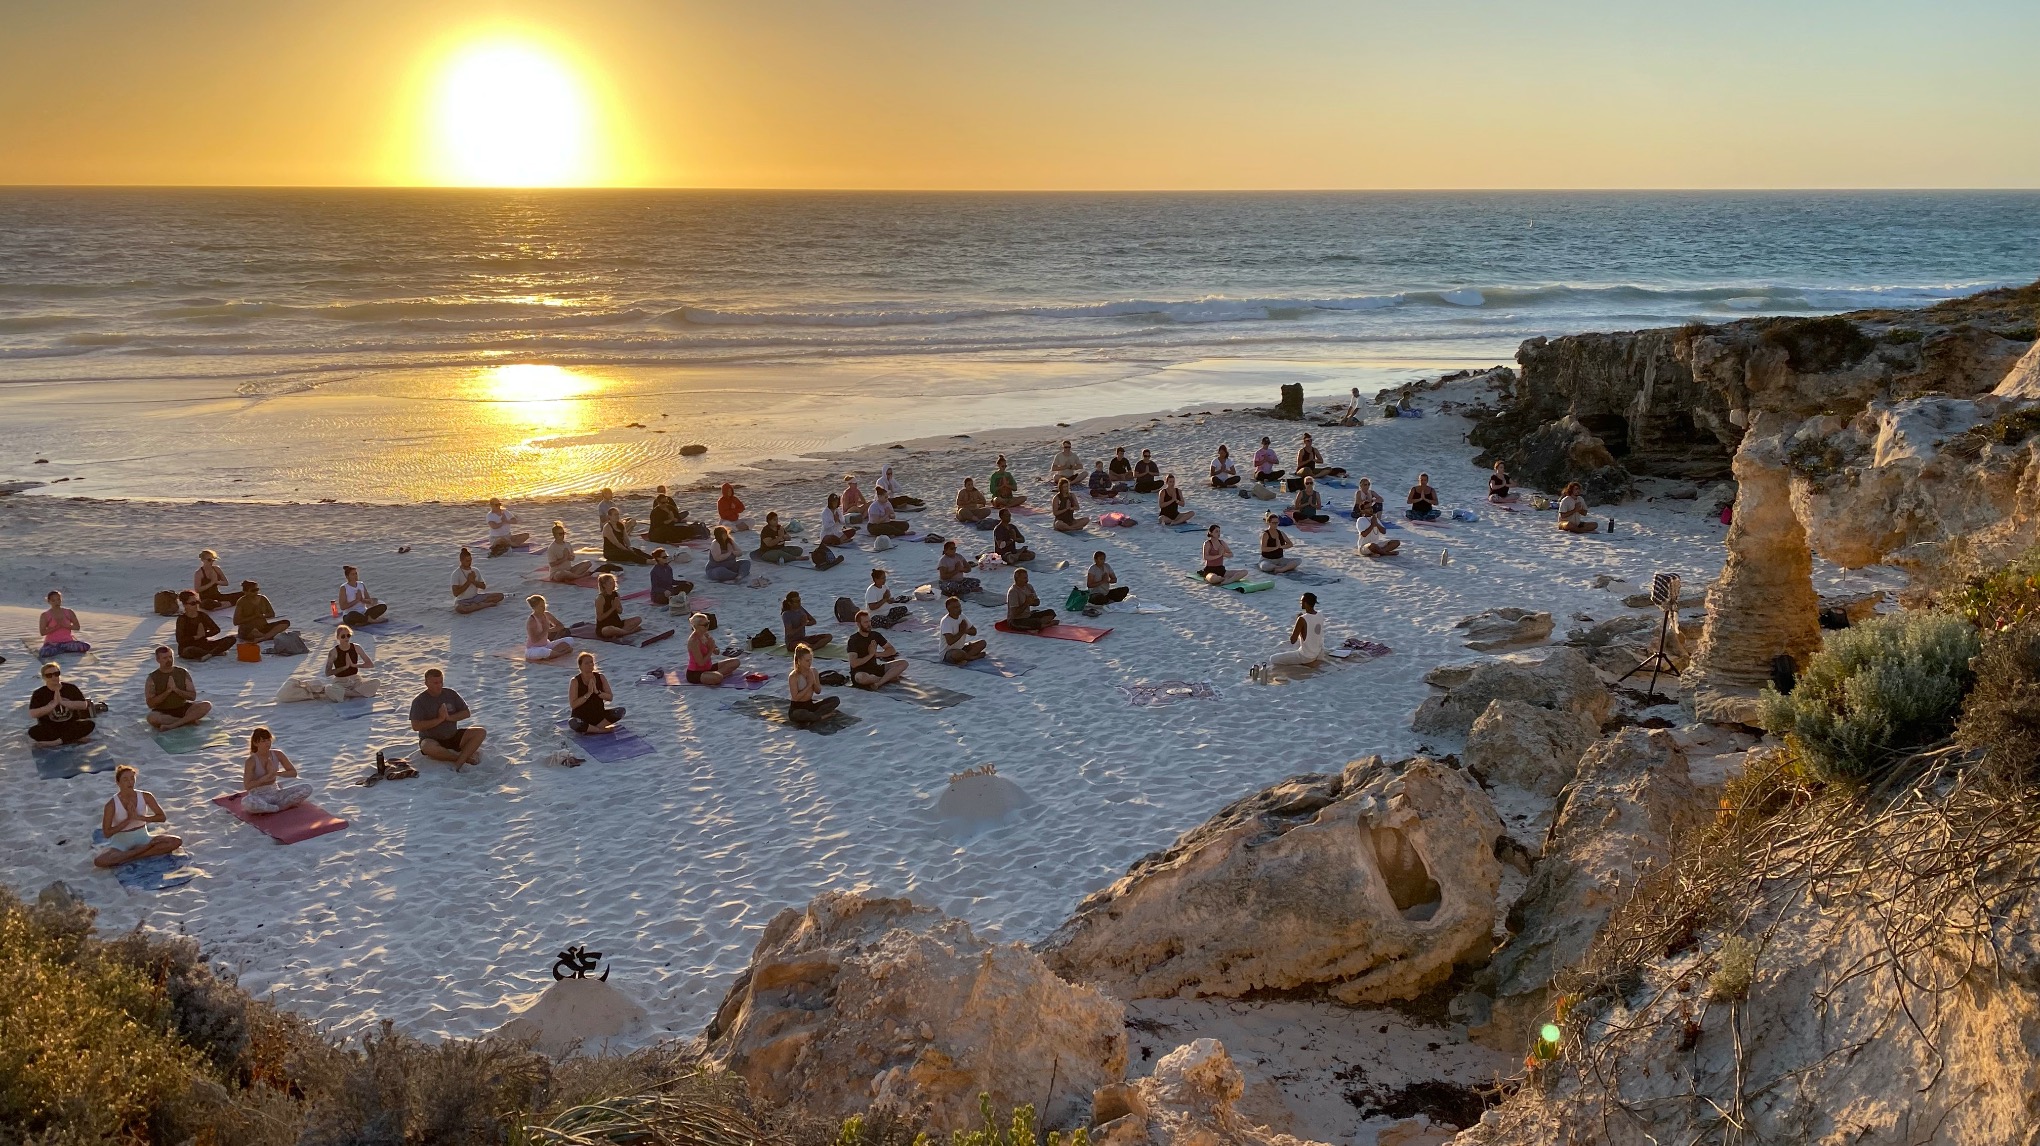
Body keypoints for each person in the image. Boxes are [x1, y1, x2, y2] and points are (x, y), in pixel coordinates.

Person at [95, 766, 180, 868]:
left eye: (132, 778)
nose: (130, 782)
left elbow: (162, 817)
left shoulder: (145, 796)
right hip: (121, 842)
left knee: (176, 841)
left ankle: (132, 856)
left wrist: (141, 818)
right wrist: (128, 820)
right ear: (118, 783)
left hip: (143, 837)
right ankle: (145, 850)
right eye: (125, 779)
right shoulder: (111, 804)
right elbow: (107, 833)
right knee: (99, 861)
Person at [409, 668, 485, 768]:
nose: (439, 685)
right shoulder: (419, 701)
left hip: (453, 735)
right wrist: (439, 719)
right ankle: (460, 758)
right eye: (435, 683)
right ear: (426, 683)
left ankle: (460, 760)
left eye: (441, 682)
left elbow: (466, 713)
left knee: (481, 732)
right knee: (427, 747)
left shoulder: (450, 694)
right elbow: (416, 726)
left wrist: (449, 718)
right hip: (432, 739)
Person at [241, 727, 312, 814]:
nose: (267, 743)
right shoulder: (251, 761)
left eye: (268, 740)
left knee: (307, 788)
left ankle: (277, 807)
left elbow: (293, 773)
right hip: (259, 796)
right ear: (256, 743)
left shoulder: (278, 754)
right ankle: (275, 808)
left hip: (275, 793)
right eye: (263, 741)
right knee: (247, 802)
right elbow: (247, 786)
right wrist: (268, 776)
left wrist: (277, 773)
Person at [144, 645, 210, 730]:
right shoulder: (152, 678)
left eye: (170, 657)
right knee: (151, 718)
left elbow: (192, 696)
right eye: (165, 658)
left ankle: (173, 725)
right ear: (158, 660)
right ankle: (188, 721)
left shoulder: (182, 672)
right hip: (163, 711)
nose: (169, 660)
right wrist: (168, 691)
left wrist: (176, 690)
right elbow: (150, 703)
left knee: (207, 705)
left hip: (183, 708)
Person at [29, 662, 95, 746]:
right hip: (50, 726)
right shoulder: (39, 693)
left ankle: (56, 742)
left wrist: (63, 702)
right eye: (49, 675)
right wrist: (52, 705)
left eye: (56, 674)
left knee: (89, 724)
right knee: (33, 731)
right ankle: (73, 738)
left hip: (70, 724)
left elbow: (84, 705)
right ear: (44, 677)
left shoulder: (71, 688)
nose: (54, 677)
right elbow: (33, 714)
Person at [847, 610, 909, 689]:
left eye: (869, 621)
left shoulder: (875, 635)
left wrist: (877, 654)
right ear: (858, 624)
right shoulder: (853, 640)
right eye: (866, 622)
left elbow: (892, 650)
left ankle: (879, 683)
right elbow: (854, 663)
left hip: (875, 668)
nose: (869, 624)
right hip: (860, 671)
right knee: (861, 678)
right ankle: (888, 678)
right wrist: (870, 655)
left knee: (904, 663)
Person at [567, 652, 625, 734]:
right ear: (580, 666)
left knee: (620, 711)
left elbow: (610, 697)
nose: (590, 664)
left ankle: (593, 729)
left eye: (591, 662)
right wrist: (588, 693)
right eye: (587, 663)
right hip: (582, 717)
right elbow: (573, 704)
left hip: (599, 716)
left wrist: (597, 692)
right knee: (572, 722)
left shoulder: (600, 677)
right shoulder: (575, 681)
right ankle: (599, 730)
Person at [1270, 593, 1327, 669]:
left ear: (1305, 603)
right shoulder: (1320, 614)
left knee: (1273, 658)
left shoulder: (1302, 619)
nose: (1300, 603)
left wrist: (1298, 623)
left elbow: (1293, 640)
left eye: (1301, 601)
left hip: (1306, 656)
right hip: (1318, 653)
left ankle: (1306, 663)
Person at [788, 644, 841, 724]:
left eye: (810, 660)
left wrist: (814, 681)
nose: (809, 663)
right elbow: (795, 698)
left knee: (835, 700)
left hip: (810, 705)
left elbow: (818, 691)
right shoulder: (793, 676)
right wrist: (809, 685)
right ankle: (821, 717)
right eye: (807, 661)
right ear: (799, 660)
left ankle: (814, 716)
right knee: (800, 714)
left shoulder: (813, 671)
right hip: (797, 708)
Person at [175, 591, 235, 660]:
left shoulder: (202, 615)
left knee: (231, 639)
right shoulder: (182, 619)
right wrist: (196, 637)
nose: (196, 605)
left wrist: (205, 635)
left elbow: (216, 629)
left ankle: (210, 654)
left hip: (204, 644)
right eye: (193, 603)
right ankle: (214, 652)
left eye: (197, 602)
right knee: (190, 650)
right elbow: (180, 640)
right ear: (185, 605)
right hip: (189, 647)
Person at [686, 612, 740, 685]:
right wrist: (710, 649)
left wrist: (713, 647)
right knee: (718, 678)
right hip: (695, 672)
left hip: (708, 668)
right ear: (696, 626)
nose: (707, 626)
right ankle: (717, 675)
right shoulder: (694, 641)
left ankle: (716, 675)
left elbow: (717, 652)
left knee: (736, 661)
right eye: (705, 625)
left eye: (708, 623)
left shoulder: (705, 634)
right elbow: (701, 663)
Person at [325, 624, 378, 697]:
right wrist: (345, 667)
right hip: (340, 681)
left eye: (348, 635)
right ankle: (357, 694)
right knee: (329, 688)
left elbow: (370, 664)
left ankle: (349, 694)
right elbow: (328, 673)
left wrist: (354, 665)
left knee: (376, 682)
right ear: (338, 637)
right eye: (343, 636)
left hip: (355, 680)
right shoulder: (333, 652)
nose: (346, 638)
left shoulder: (356, 647)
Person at [1353, 479, 1400, 557]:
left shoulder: (1375, 519)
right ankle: (1386, 553)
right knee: (1372, 546)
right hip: (1364, 546)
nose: (1370, 509)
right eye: (1368, 508)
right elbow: (1364, 534)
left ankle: (1379, 552)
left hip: (1376, 544)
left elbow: (1384, 531)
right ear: (1363, 511)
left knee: (1396, 542)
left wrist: (1376, 524)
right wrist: (1372, 525)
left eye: (1370, 508)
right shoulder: (1360, 520)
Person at [36, 590, 89, 658]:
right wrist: (56, 627)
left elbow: (77, 627)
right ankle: (61, 649)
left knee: (85, 646)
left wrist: (66, 626)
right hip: (52, 643)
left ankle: (63, 648)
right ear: (49, 601)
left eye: (58, 600)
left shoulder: (69, 612)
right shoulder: (45, 615)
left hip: (68, 641)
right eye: (53, 600)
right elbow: (42, 632)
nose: (57, 602)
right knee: (44, 653)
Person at [451, 547, 504, 613]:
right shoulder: (456, 573)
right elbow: (455, 593)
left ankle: (475, 606)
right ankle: (483, 605)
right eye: (467, 561)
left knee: (500, 596)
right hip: (462, 600)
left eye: (470, 560)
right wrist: (468, 581)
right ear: (461, 560)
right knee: (460, 609)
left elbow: (483, 586)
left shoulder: (475, 570)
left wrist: (473, 581)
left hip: (476, 597)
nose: (469, 563)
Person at [1004, 567, 1057, 632]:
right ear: (1017, 579)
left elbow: (1037, 602)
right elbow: (1014, 613)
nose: (1027, 580)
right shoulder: (1013, 592)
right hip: (1016, 620)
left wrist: (1032, 602)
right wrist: (1026, 603)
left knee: (1051, 612)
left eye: (1027, 577)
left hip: (1028, 615)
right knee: (1035, 622)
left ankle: (1041, 624)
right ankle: (1044, 624)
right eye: (1024, 578)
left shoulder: (1028, 587)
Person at [593, 573, 643, 641]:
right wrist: (612, 608)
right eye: (610, 583)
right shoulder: (600, 598)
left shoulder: (616, 594)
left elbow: (620, 611)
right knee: (609, 629)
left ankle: (619, 632)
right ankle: (628, 632)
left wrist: (616, 607)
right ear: (604, 585)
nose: (613, 584)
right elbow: (600, 618)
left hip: (617, 623)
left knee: (638, 619)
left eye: (613, 582)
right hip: (604, 627)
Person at [938, 595, 987, 663]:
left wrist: (965, 631)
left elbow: (974, 631)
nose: (959, 609)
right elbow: (950, 642)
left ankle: (965, 658)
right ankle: (972, 657)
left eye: (959, 606)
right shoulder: (945, 621)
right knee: (958, 654)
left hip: (961, 648)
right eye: (955, 607)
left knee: (982, 643)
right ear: (949, 609)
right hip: (948, 653)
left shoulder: (962, 616)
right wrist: (962, 631)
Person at [524, 595, 574, 661]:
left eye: (544, 605)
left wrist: (549, 630)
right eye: (541, 606)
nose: (543, 608)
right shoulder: (531, 620)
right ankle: (561, 653)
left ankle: (552, 653)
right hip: (533, 649)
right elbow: (534, 640)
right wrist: (545, 630)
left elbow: (560, 626)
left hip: (546, 644)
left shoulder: (546, 614)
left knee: (570, 640)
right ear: (534, 608)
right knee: (543, 651)